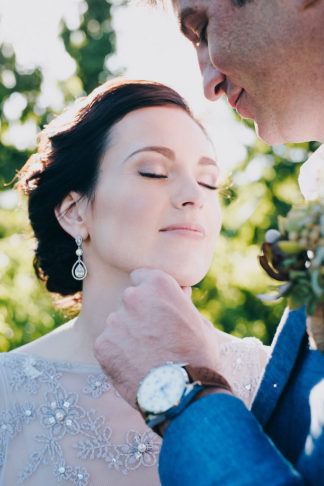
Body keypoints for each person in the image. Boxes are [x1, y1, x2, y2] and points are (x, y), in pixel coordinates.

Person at [94, 1, 324, 484]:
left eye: (201, 28)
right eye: (153, 171)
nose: (208, 85)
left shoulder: (249, 367)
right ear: (73, 208)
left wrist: (180, 392)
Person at [0, 79, 267, 485]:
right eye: (153, 171)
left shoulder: (272, 378)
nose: (193, 195)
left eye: (209, 181)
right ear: (74, 212)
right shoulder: (6, 392)